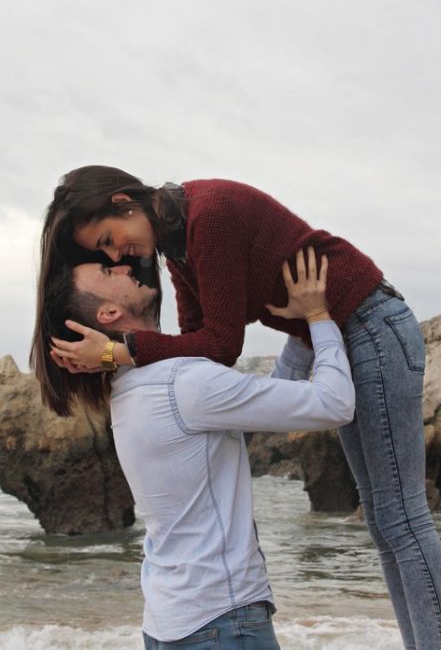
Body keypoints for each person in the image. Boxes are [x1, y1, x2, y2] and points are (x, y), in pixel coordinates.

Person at [31, 165, 441, 649]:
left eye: (109, 238)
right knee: (382, 519)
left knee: (401, 518)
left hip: (370, 323)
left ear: (126, 203)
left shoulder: (207, 216)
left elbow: (219, 342)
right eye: (102, 253)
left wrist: (113, 351)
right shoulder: (178, 249)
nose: (114, 252)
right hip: (325, 336)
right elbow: (206, 350)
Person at [43, 247, 355, 649]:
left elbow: (256, 405)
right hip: (220, 622)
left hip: (168, 624)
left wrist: (300, 338)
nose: (123, 267)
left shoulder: (132, 387)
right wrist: (318, 317)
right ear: (107, 314)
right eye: (108, 271)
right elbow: (335, 402)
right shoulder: (181, 381)